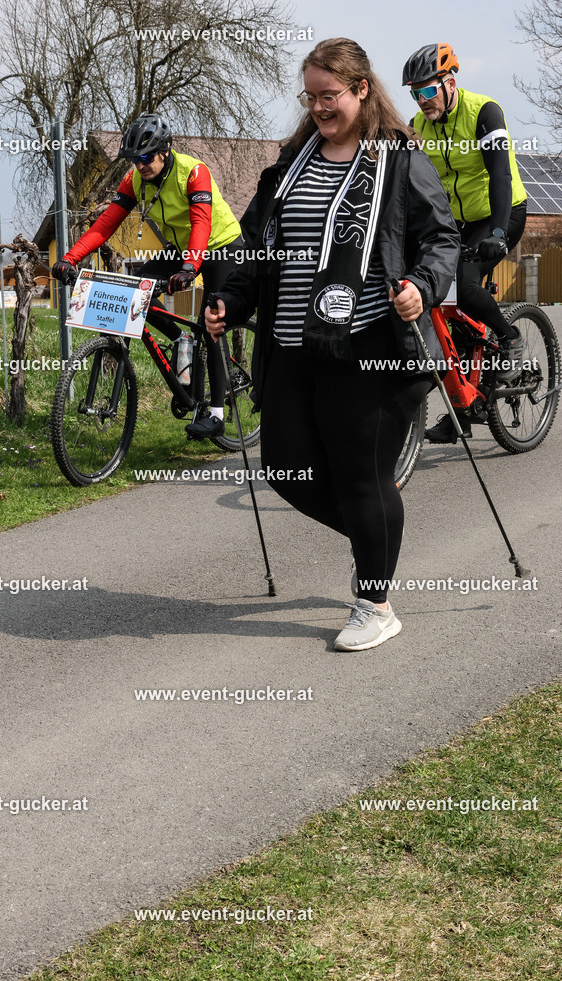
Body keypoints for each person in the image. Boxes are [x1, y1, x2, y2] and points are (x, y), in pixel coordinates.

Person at [205, 37, 460, 651]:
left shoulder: (398, 159)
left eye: (330, 95)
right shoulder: (290, 163)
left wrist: (422, 287)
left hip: (370, 346)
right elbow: (257, 246)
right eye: (310, 97)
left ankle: (375, 604)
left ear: (362, 90)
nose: (319, 107)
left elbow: (440, 238)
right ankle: (375, 542)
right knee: (285, 468)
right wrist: (231, 301)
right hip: (293, 345)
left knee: (359, 474)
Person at [52, 113, 243, 439]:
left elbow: (201, 223)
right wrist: (70, 258)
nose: (139, 165)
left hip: (221, 247)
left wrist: (189, 268)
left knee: (210, 322)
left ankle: (216, 415)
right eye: (134, 160)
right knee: (133, 292)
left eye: (145, 158)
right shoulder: (135, 180)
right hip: (181, 249)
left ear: (164, 151)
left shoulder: (193, 172)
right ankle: (181, 339)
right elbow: (105, 225)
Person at [402, 43, 528, 442]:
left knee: (464, 285)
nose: (422, 100)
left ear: (450, 84)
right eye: (415, 93)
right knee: (433, 295)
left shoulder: (484, 112)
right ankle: (462, 408)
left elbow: (500, 175)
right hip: (455, 222)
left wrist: (497, 233)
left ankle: (510, 338)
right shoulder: (417, 126)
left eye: (428, 90)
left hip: (500, 213)